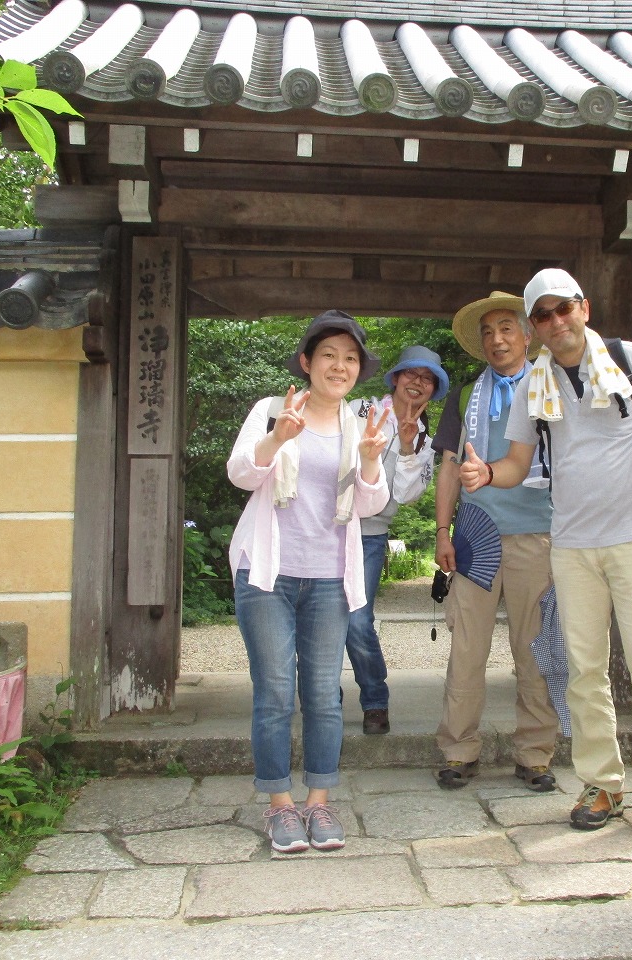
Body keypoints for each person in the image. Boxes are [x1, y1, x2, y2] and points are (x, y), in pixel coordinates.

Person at [457, 269, 632, 841]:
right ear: (535, 327)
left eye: (562, 308)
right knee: (584, 671)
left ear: (583, 308)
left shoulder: (628, 359)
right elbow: (518, 463)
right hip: (570, 543)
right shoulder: (533, 385)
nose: (555, 321)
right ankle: (602, 783)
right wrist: (486, 473)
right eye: (542, 315)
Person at [227, 311, 390, 854]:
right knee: (274, 692)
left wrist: (370, 461)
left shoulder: (360, 425)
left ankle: (319, 801)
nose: (339, 366)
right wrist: (277, 438)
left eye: (350, 358)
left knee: (322, 694)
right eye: (328, 356)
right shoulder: (273, 410)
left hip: (329, 576)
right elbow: (240, 473)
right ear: (306, 362)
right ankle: (280, 806)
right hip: (267, 572)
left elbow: (371, 504)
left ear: (358, 369)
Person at [432, 292, 561, 792]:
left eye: (506, 328)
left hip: (539, 533)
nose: (497, 339)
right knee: (467, 648)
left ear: (527, 335)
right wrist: (442, 531)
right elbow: (449, 467)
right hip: (475, 536)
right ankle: (458, 749)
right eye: (488, 332)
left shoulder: (552, 387)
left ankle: (535, 754)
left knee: (535, 649)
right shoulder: (466, 394)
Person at [346, 345, 448, 735]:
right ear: (395, 378)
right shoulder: (359, 410)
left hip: (370, 536)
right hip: (327, 529)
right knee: (317, 617)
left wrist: (406, 446)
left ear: (433, 390)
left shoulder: (424, 440)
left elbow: (406, 496)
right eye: (411, 374)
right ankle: (322, 694)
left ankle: (375, 700)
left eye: (427, 379)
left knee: (358, 620)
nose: (417, 383)